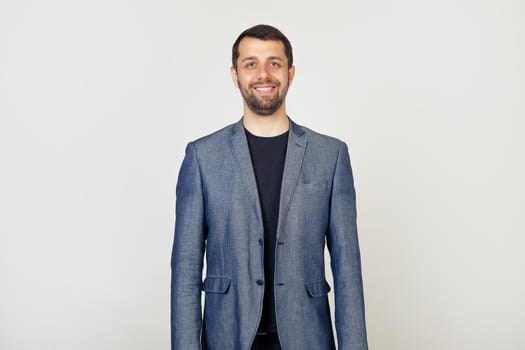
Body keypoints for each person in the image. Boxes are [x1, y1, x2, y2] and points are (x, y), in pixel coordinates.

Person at [171, 24, 368, 350]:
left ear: (290, 73)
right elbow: (186, 272)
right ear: (235, 75)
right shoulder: (202, 157)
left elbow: (348, 273)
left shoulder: (331, 156)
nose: (263, 74)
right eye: (251, 64)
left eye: (274, 63)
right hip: (227, 338)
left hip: (308, 339)